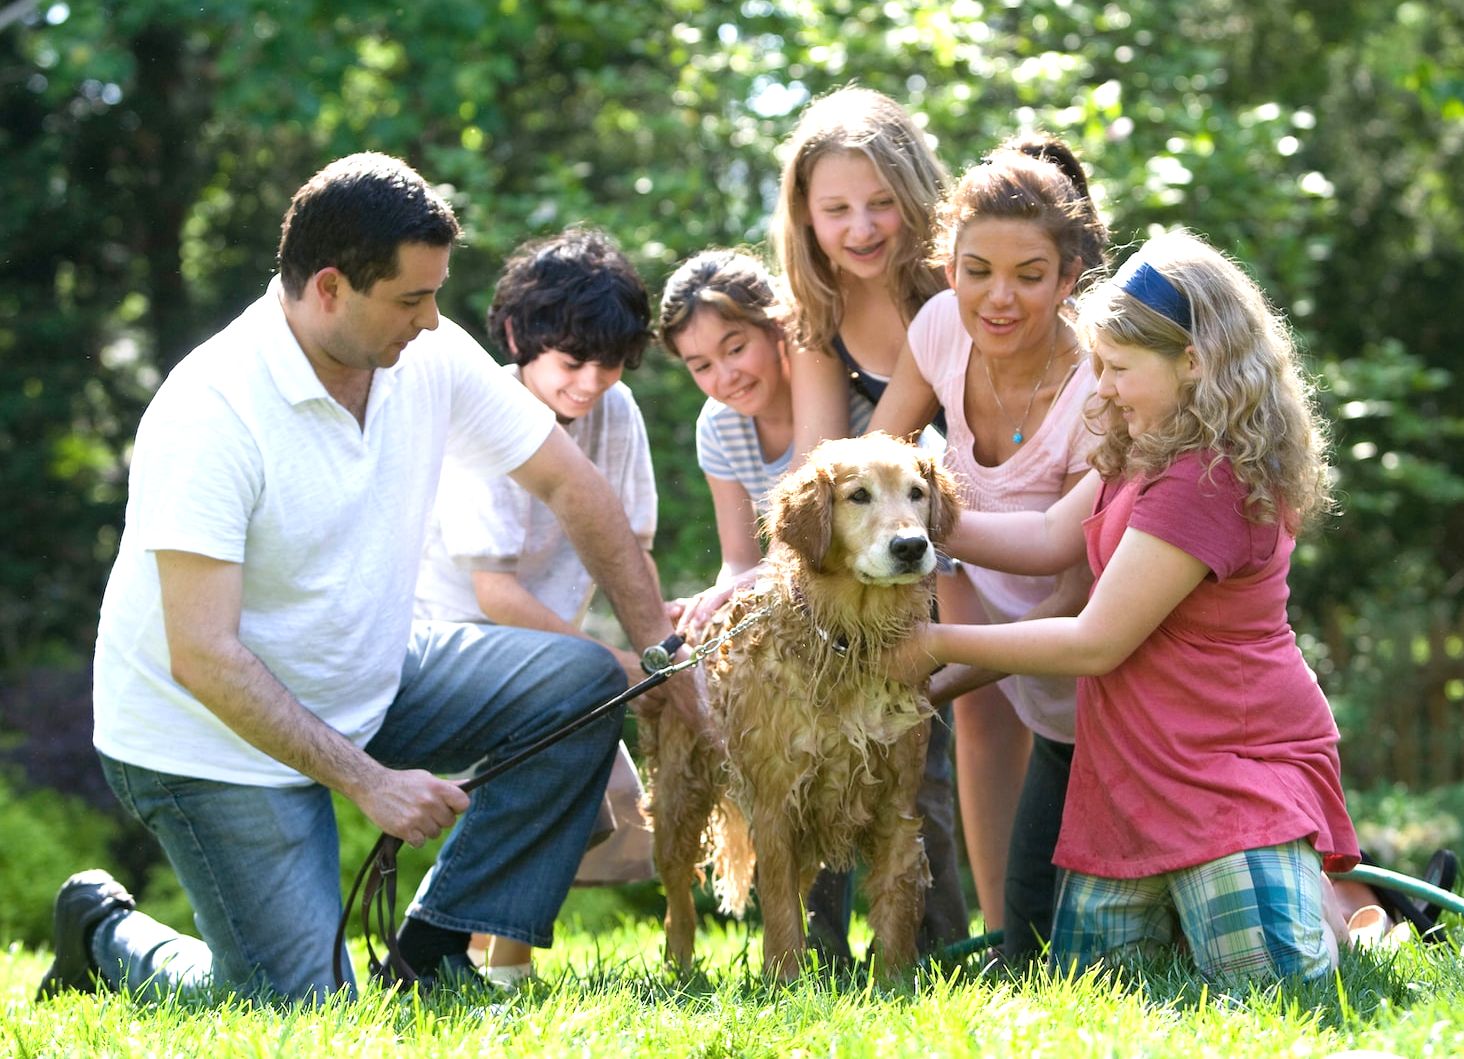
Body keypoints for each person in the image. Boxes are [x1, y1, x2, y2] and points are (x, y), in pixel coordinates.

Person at [37, 153, 697, 1005]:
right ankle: (105, 933)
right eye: (411, 299)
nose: (431, 322)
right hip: (208, 739)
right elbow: (200, 653)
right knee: (303, 1006)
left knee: (582, 682)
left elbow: (573, 486)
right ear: (328, 287)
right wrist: (369, 781)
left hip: (370, 673)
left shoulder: (425, 353)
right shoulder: (210, 409)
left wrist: (664, 657)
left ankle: (434, 950)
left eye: (435, 295)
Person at [902, 230, 1361, 982]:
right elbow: (1051, 534)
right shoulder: (1145, 443)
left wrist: (932, 644)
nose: (1101, 387)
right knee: (1096, 989)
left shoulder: (1207, 477)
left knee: (1271, 980)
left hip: (1225, 776)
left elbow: (1094, 642)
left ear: (1193, 362)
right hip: (1131, 780)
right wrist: (915, 514)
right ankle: (1307, 904)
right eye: (1097, 366)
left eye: (1117, 369)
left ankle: (1353, 922)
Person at [869, 134, 1109, 964]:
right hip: (1024, 684)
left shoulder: (1102, 387)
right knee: (1031, 944)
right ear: (948, 265)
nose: (997, 298)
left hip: (1115, 694)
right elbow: (874, 461)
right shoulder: (940, 330)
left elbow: (1076, 591)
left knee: (1140, 932)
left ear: (1069, 277)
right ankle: (1007, 945)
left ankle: (1368, 904)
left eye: (1029, 276)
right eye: (977, 270)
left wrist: (927, 674)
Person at [414, 226, 660, 987]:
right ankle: (484, 962)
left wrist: (657, 650)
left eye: (611, 363)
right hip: (453, 644)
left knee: (588, 784)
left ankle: (490, 959)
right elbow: (496, 594)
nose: (591, 382)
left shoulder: (616, 414)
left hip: (549, 651)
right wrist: (610, 663)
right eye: (572, 361)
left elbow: (631, 552)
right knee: (561, 761)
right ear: (520, 336)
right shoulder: (479, 410)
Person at [762, 85, 969, 961]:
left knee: (929, 751)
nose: (862, 227)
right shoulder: (815, 315)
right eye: (836, 208)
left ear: (919, 196)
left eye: (883, 202)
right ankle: (821, 944)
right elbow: (819, 457)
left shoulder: (963, 284)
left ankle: (947, 937)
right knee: (837, 702)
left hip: (972, 524)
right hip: (888, 548)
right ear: (804, 215)